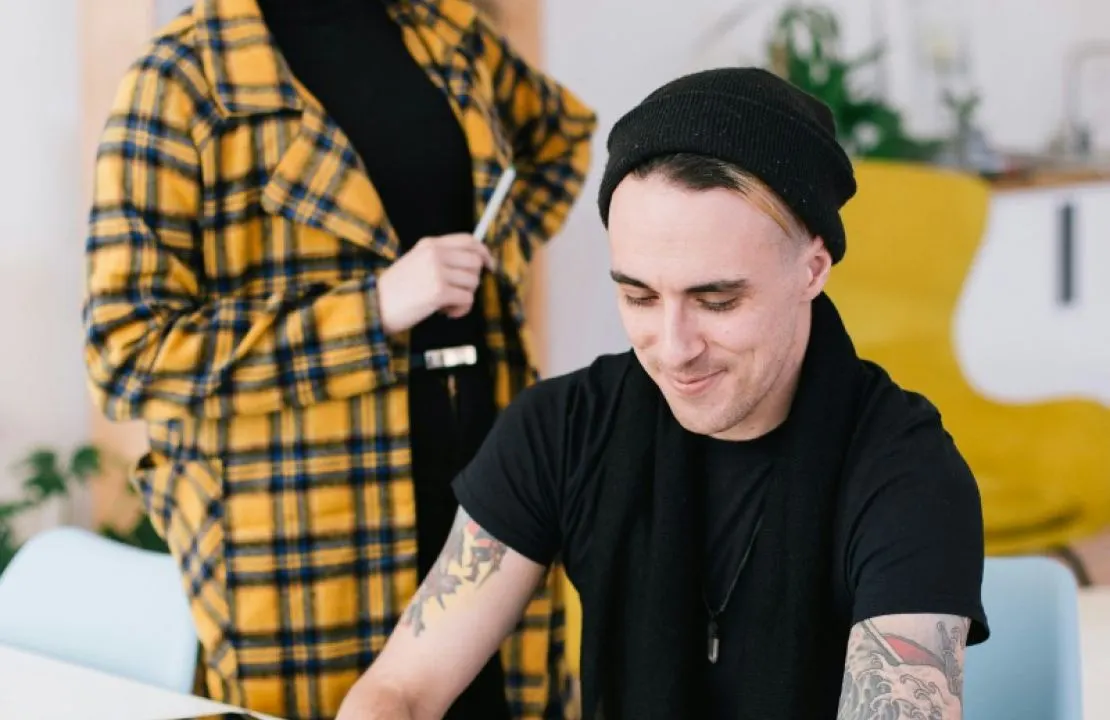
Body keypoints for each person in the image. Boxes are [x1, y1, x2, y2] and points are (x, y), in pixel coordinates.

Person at [335, 67, 991, 720]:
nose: (674, 348)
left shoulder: (909, 474)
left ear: (812, 269)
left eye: (717, 300)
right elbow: (401, 692)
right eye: (639, 297)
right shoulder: (562, 428)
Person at [81, 0, 596, 718]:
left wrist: (489, 258)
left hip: (484, 461)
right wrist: (371, 311)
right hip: (297, 519)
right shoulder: (184, 75)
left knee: (501, 699)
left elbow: (559, 137)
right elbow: (127, 353)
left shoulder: (438, 26)